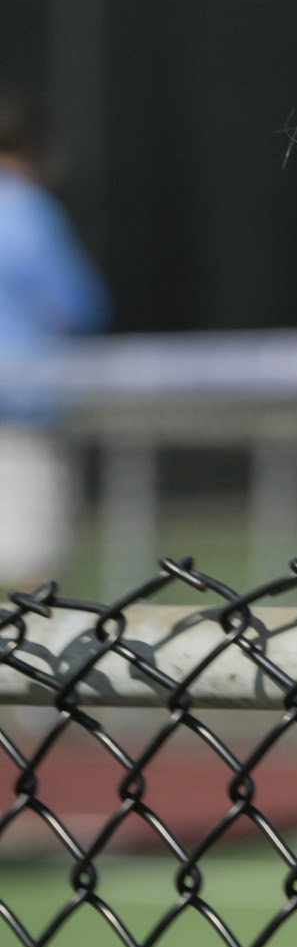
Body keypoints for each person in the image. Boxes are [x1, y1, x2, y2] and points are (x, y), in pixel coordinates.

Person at [0, 93, 109, 588]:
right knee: (33, 578)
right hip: (22, 415)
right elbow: (80, 306)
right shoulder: (28, 210)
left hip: (21, 410)